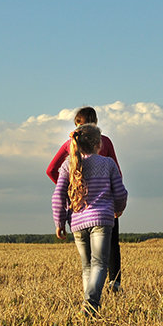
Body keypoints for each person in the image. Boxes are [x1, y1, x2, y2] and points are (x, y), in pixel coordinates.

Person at [52, 124, 127, 313]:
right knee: (100, 264)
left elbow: (58, 196)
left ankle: (89, 305)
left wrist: (59, 222)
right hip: (102, 220)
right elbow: (120, 193)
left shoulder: (68, 164)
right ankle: (91, 303)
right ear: (98, 144)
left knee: (87, 267)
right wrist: (118, 209)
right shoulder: (107, 164)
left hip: (77, 224)